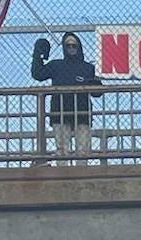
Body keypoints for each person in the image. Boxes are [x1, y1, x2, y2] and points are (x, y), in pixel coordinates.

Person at [31, 32, 102, 164]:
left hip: (82, 112)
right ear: (64, 47)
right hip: (60, 111)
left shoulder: (88, 68)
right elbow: (38, 74)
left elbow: (97, 93)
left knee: (83, 150)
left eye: (74, 45)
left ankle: (82, 173)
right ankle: (62, 173)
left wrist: (95, 82)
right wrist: (38, 54)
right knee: (62, 150)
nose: (71, 48)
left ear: (79, 47)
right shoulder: (56, 65)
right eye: (68, 45)